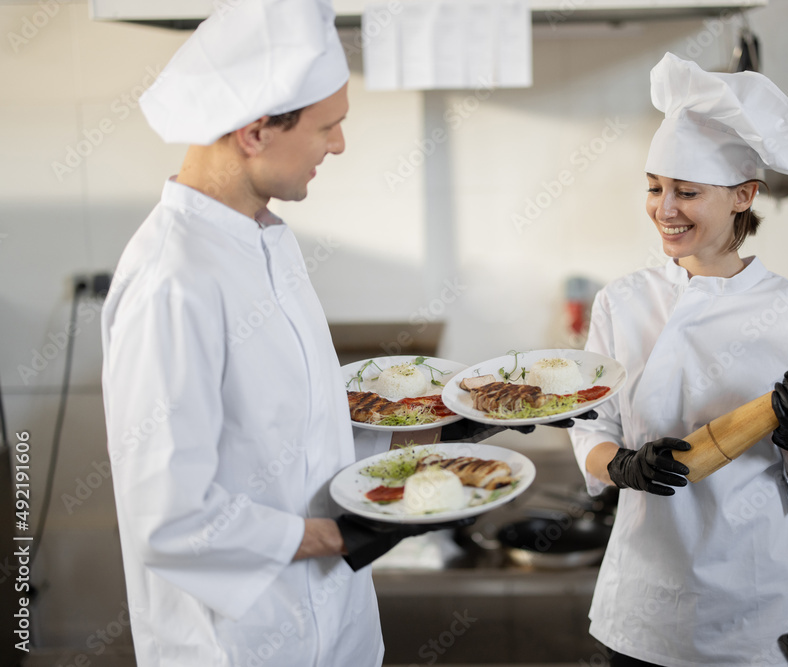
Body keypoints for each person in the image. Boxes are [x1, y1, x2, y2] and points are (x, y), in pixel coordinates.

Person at [100, 1, 499, 664]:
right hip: (240, 644)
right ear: (255, 131)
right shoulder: (173, 281)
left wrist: (430, 432)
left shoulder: (264, 242)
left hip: (333, 629)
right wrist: (340, 536)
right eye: (328, 126)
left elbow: (298, 428)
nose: (338, 144)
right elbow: (168, 517)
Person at [569, 52, 788, 667]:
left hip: (759, 602)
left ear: (743, 196)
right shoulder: (622, 301)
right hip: (646, 598)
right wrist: (623, 469)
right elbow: (593, 427)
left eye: (687, 192)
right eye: (655, 188)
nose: (664, 209)